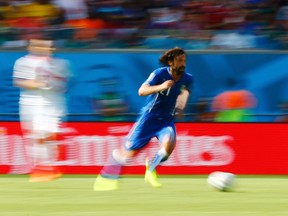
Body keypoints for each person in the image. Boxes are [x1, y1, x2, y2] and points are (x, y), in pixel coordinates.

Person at [93, 47, 193, 191]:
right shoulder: (159, 74)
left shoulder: (188, 78)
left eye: (184, 60)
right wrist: (161, 86)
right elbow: (141, 91)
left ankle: (151, 169)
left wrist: (181, 107)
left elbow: (185, 92)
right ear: (171, 62)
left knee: (169, 144)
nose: (183, 63)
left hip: (166, 119)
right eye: (179, 60)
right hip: (149, 118)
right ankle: (106, 176)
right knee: (127, 154)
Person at [13, 39, 71, 182]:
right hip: (32, 103)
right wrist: (37, 83)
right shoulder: (23, 62)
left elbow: (64, 83)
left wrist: (54, 84)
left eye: (49, 47)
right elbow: (19, 81)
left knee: (51, 134)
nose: (46, 49)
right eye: (41, 46)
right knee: (38, 134)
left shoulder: (61, 63)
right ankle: (41, 169)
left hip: (54, 103)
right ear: (31, 47)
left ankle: (48, 166)